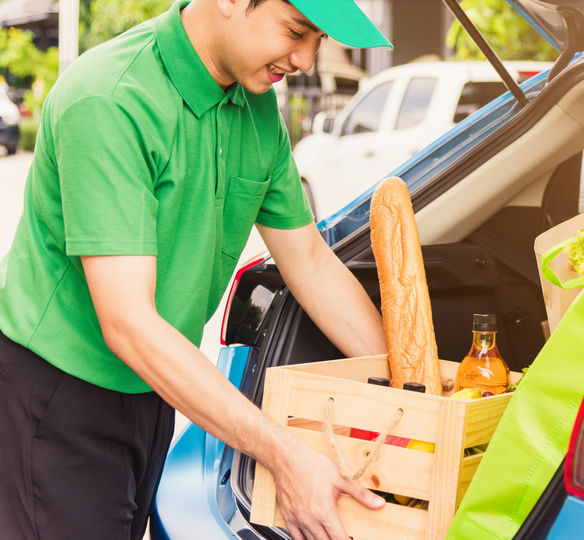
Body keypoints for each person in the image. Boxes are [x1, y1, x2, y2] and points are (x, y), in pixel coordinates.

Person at [0, 1, 393, 539]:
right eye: (297, 31)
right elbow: (128, 324)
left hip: (156, 390)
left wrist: (415, 388)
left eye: (319, 40)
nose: (306, 59)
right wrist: (284, 454)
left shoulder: (256, 110)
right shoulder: (111, 99)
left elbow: (311, 262)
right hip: (59, 402)